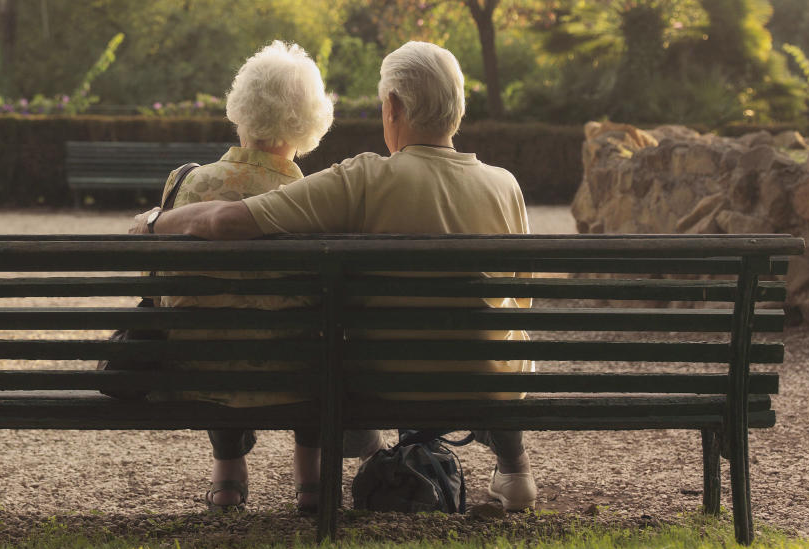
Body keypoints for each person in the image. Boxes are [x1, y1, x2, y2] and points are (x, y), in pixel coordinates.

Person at [132, 41, 537, 511]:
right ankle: (515, 471)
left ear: (393, 107)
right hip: (485, 381)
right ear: (459, 107)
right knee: (499, 345)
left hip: (388, 381)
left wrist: (155, 222)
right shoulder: (506, 184)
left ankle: (368, 460)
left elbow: (226, 222)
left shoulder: (363, 178)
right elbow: (520, 294)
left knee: (343, 346)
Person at [141, 40, 380, 513]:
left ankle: (227, 475)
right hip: (297, 377)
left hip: (196, 371)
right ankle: (310, 477)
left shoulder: (185, 183)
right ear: (310, 120)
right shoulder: (315, 196)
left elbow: (161, 288)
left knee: (216, 320)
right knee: (313, 330)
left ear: (241, 107)